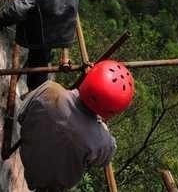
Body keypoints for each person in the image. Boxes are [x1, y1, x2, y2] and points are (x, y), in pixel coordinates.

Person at [17, 60, 135, 192]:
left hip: (26, 156)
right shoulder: (102, 142)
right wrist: (103, 128)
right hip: (50, 184)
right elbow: (105, 159)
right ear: (112, 112)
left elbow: (21, 116)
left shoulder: (49, 89)